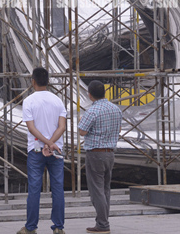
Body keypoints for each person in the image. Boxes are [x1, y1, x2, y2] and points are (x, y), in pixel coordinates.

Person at [18, 67, 67, 234]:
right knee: (58, 188)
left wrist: (45, 143)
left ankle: (30, 227)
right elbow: (62, 126)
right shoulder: (58, 101)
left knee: (34, 188)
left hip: (36, 149)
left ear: (33, 81)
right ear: (48, 81)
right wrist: (52, 143)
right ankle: (59, 227)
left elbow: (31, 128)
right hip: (56, 149)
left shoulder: (29, 101)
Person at [78, 81, 122, 234]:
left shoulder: (92, 111)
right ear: (104, 93)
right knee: (105, 189)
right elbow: (119, 128)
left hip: (96, 153)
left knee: (96, 189)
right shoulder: (116, 109)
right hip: (110, 153)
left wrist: (80, 121)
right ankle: (103, 221)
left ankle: (102, 224)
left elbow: (82, 131)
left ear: (90, 94)